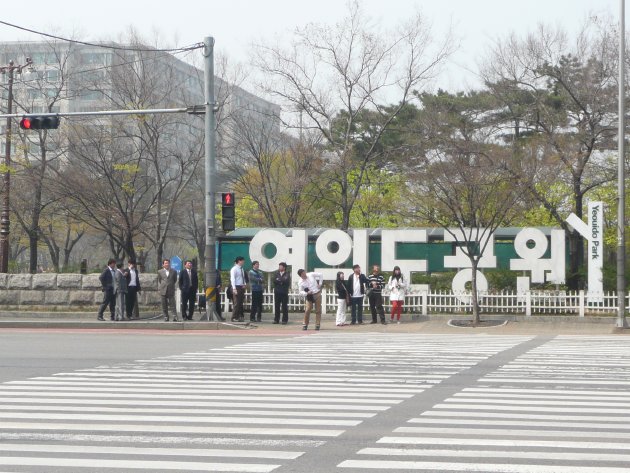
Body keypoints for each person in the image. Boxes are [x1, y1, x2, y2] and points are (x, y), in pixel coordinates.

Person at [230, 256, 247, 322]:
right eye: (242, 260)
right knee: (236, 302)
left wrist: (244, 283)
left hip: (241, 286)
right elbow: (233, 279)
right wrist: (234, 288)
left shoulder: (241, 269)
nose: (243, 262)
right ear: (239, 261)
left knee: (240, 303)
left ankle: (238, 316)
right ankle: (233, 317)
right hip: (236, 286)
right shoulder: (234, 269)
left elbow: (242, 277)